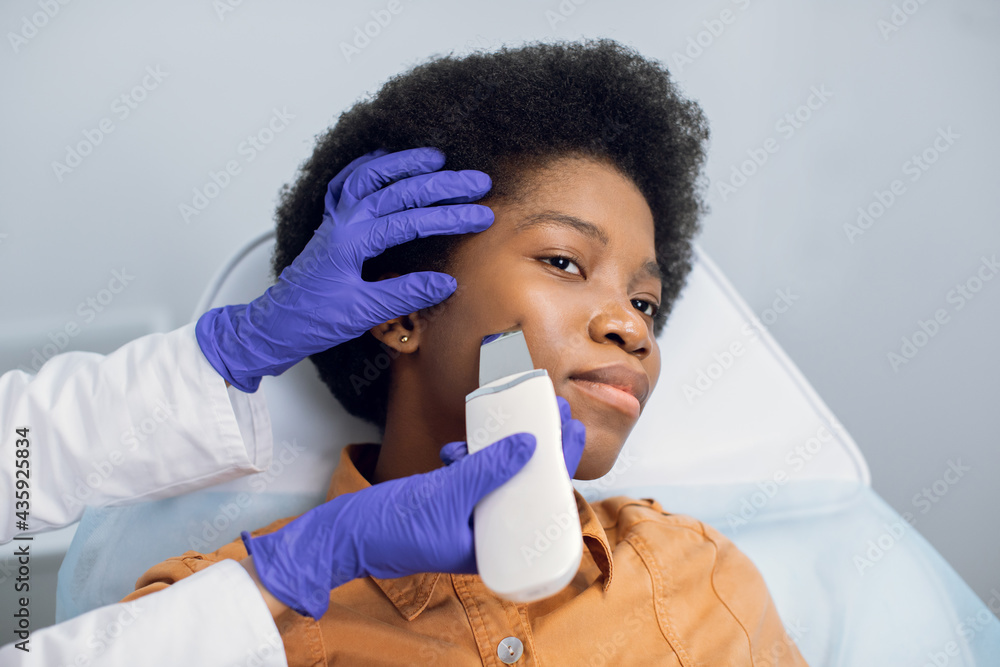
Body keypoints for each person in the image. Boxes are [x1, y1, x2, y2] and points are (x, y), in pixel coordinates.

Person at [121, 39, 809, 665]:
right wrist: (295, 568)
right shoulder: (218, 617)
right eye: (566, 261)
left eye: (646, 302)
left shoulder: (704, 581)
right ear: (400, 310)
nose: (633, 329)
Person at [0, 149, 497, 665]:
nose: (594, 319)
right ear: (404, 320)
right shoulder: (248, 609)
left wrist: (238, 347)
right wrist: (295, 568)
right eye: (562, 263)